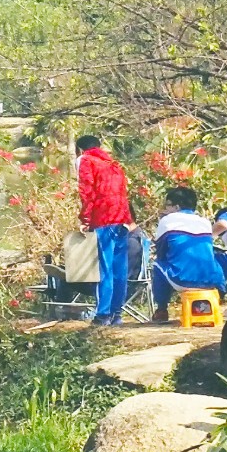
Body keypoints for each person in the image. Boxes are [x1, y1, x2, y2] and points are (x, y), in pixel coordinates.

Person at [76, 135, 134, 325]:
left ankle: (102, 314)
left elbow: (87, 192)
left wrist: (85, 218)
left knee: (105, 269)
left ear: (80, 149)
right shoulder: (114, 164)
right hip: (122, 218)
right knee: (120, 269)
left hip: (103, 218)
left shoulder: (86, 160)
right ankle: (117, 313)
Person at [150, 186, 227, 323]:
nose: (166, 209)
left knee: (157, 264)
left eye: (167, 205)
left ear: (176, 206)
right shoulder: (204, 222)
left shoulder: (167, 221)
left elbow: (161, 252)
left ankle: (161, 309)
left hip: (182, 280)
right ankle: (220, 298)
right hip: (211, 280)